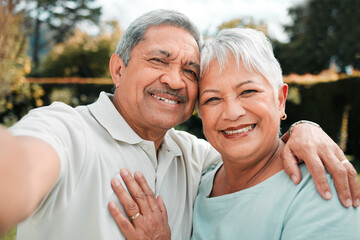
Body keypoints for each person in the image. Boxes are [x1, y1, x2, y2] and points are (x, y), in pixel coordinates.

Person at [0, 9, 358, 239]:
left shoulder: (194, 158)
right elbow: (22, 163)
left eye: (189, 71)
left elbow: (255, 149)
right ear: (118, 69)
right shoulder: (67, 129)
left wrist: (301, 128)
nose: (175, 80)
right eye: (159, 60)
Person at [190, 28, 360, 239]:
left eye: (248, 91)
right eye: (212, 99)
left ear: (280, 100)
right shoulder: (197, 181)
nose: (232, 113)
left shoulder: (319, 190)